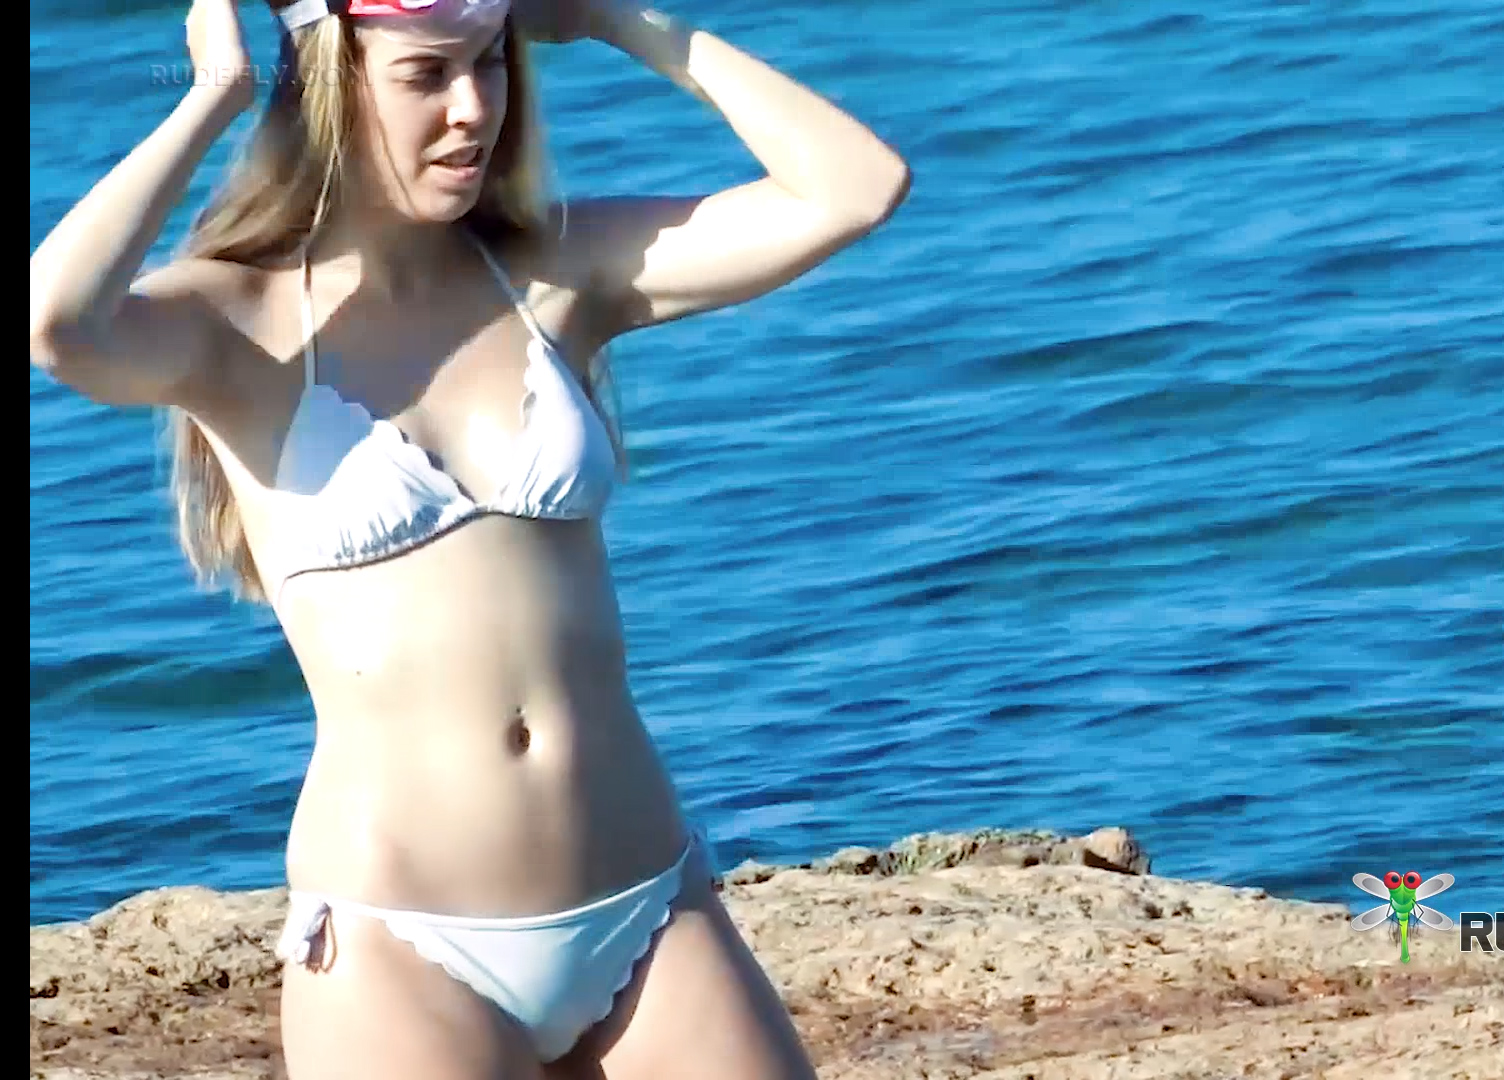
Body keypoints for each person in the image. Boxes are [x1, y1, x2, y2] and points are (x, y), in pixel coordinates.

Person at [27, 0, 910, 1074]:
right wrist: (216, 93)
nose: (472, 110)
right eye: (425, 74)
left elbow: (855, 189)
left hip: (650, 910)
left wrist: (620, 21)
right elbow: (57, 322)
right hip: (404, 947)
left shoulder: (554, 272)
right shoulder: (236, 323)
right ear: (329, 81)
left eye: (489, 64)